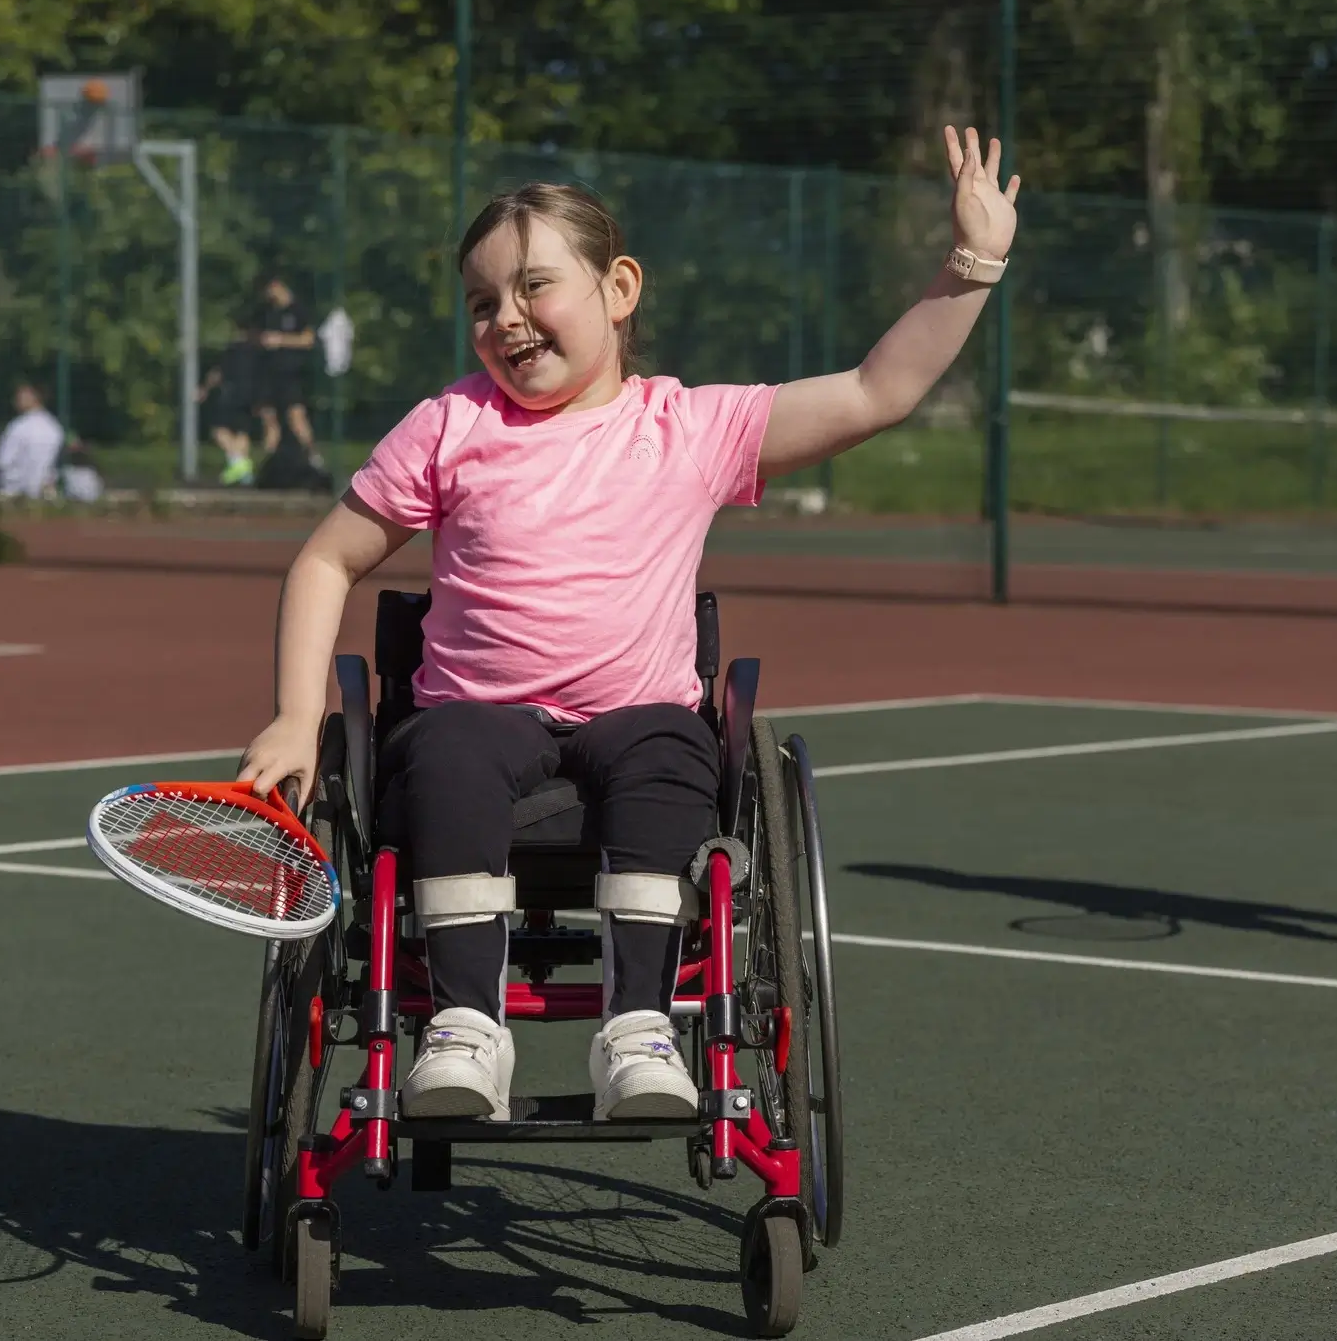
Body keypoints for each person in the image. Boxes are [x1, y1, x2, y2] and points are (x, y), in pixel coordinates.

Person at [239, 126, 1018, 1121]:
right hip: (478, 714)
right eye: (482, 303)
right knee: (447, 752)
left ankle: (638, 1029)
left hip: (635, 714)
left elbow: (879, 391)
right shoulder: (450, 426)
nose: (506, 319)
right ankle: (466, 1030)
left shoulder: (688, 426)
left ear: (618, 289)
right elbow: (325, 557)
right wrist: (295, 716)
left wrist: (974, 262)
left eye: (533, 287)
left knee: (669, 747)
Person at [251, 273, 324, 475]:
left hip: (292, 373)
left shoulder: (299, 311)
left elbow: (308, 340)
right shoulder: (266, 312)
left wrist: (280, 340)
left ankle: (314, 458)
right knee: (268, 417)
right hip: (269, 373)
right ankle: (268, 466)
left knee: (296, 416)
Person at [199, 322, 261, 486]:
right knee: (242, 431)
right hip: (250, 396)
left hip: (234, 394)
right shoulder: (257, 351)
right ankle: (243, 471)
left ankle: (239, 463)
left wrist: (204, 388)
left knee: (219, 430)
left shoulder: (234, 350)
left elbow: (219, 372)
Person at [0, 382, 66, 499]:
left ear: (34, 397)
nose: (16, 401)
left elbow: (3, 461)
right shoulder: (54, 426)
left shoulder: (18, 426)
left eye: (21, 396)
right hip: (45, 491)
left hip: (15, 492)